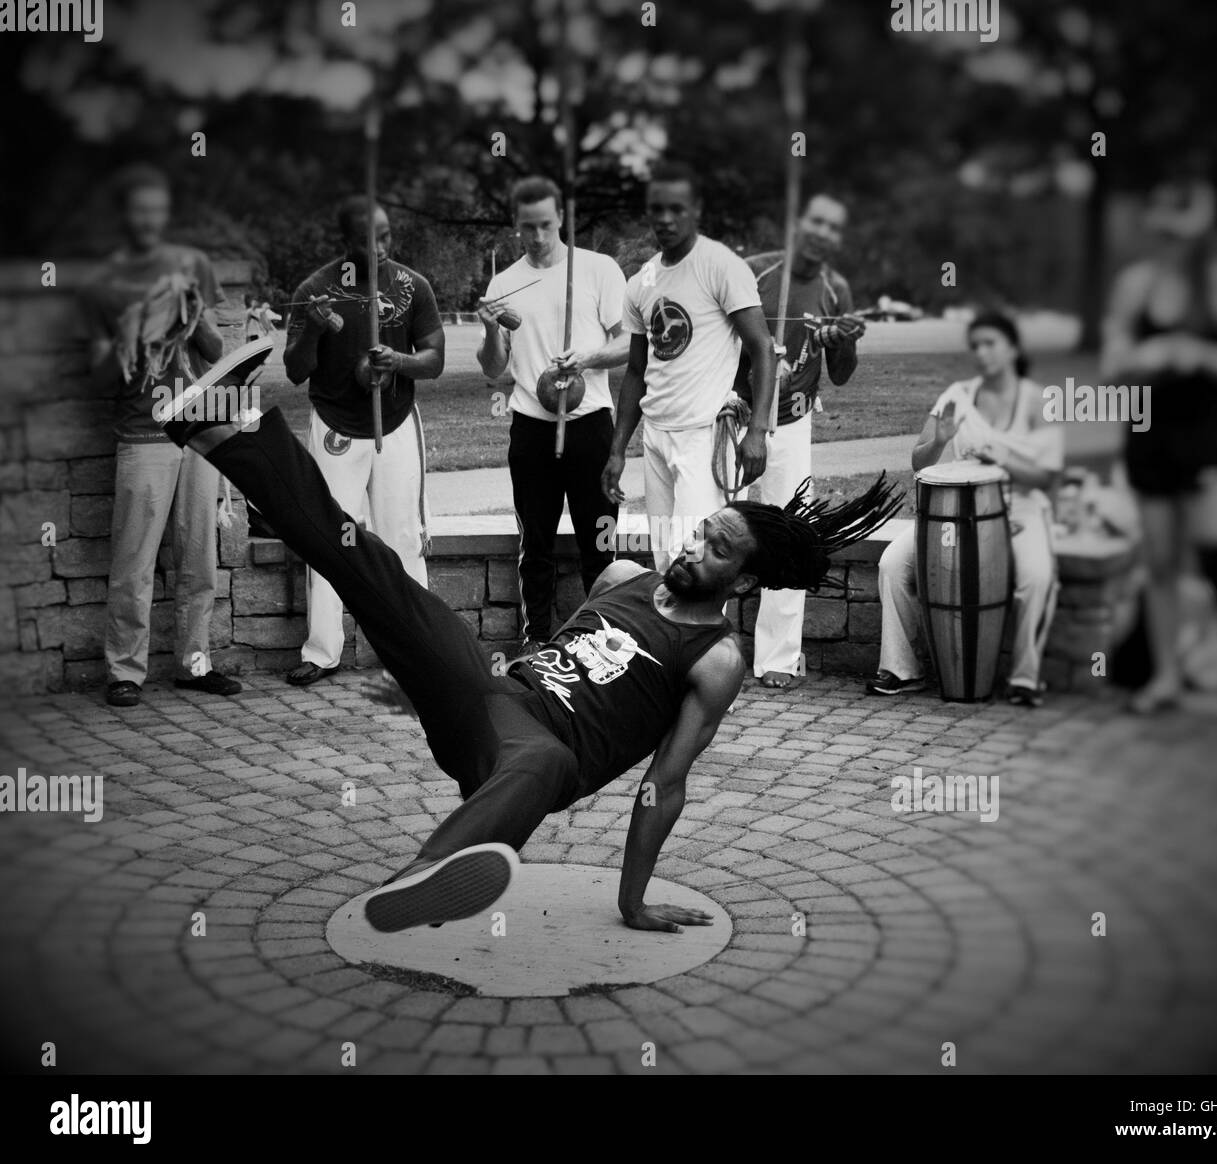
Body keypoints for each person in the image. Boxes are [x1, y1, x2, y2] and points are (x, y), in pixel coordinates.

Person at [157, 394, 901, 932]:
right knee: (367, 564)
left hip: (534, 759)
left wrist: (631, 902)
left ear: (741, 580)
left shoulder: (716, 659)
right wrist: (426, 688)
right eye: (699, 531)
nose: (691, 547)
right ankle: (230, 431)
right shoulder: (620, 579)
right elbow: (554, 658)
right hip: (487, 699)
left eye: (716, 548)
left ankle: (419, 882)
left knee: (540, 764)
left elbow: (663, 785)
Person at [1101, 174, 1217, 719]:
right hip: (1148, 438)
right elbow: (1110, 366)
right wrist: (1142, 357)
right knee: (1161, 566)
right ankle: (1167, 676)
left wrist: (1194, 351)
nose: (1170, 239)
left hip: (1205, 440)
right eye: (1163, 228)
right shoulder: (1136, 285)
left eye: (1181, 229)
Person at [80, 164, 242, 708]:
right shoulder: (105, 281)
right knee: (135, 561)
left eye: (157, 210)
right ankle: (124, 671)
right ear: (124, 216)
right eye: (139, 210)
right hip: (143, 434)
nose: (149, 220)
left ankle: (195, 664)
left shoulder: (190, 265)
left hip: (196, 429)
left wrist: (193, 315)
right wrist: (132, 331)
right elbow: (99, 376)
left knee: (199, 559)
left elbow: (217, 354)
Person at [281, 196, 445, 686]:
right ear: (346, 241)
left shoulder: (412, 285)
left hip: (393, 423)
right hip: (335, 424)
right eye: (369, 240)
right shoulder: (316, 289)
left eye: (388, 236)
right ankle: (322, 651)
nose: (381, 248)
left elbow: (433, 358)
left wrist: (398, 362)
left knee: (402, 535)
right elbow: (294, 371)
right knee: (331, 537)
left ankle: (422, 647)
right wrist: (312, 327)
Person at [872, 311, 1063, 707]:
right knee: (893, 564)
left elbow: (1047, 476)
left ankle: (1025, 678)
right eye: (976, 345)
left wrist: (1003, 458)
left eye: (991, 343)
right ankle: (902, 669)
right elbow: (920, 464)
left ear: (1013, 348)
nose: (982, 352)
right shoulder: (957, 396)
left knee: (1037, 577)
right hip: (955, 514)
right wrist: (939, 441)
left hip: (1019, 509)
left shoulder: (1038, 400)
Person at [476, 176, 629, 654]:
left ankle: (601, 641)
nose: (538, 237)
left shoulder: (600, 270)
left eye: (545, 225)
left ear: (562, 217)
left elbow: (628, 344)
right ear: (516, 226)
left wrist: (584, 358)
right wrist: (489, 331)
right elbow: (494, 370)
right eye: (528, 228)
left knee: (599, 542)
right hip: (531, 428)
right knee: (535, 544)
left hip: (590, 425)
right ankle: (536, 640)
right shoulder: (504, 284)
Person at [602, 160, 776, 575]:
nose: (665, 219)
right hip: (657, 437)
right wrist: (616, 450)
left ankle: (705, 642)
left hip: (705, 436)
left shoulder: (721, 265)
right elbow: (635, 371)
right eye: (657, 209)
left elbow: (763, 348)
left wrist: (757, 431)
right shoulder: (640, 282)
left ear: (696, 209)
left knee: (700, 561)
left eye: (676, 208)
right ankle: (668, 641)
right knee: (666, 561)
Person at [734, 192, 865, 688]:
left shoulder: (837, 289)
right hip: (734, 418)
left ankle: (778, 659)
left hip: (791, 424)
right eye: (816, 221)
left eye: (834, 227)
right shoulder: (754, 273)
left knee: (787, 534)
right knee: (709, 528)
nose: (823, 233)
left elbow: (843, 374)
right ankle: (701, 649)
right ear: (797, 223)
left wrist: (844, 340)